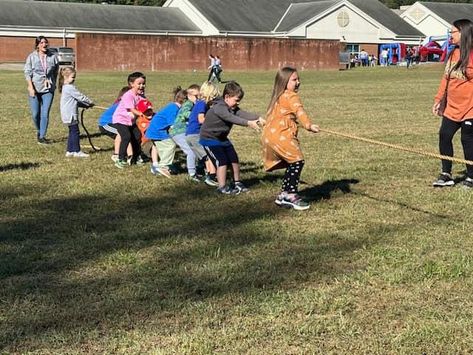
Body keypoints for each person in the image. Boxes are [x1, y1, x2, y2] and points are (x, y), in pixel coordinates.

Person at [261, 67, 319, 210]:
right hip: (281, 135)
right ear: (284, 81)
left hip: (269, 136)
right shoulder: (291, 96)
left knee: (291, 163)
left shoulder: (278, 96)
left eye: (298, 79)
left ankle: (283, 194)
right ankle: (291, 195)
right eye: (294, 80)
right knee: (297, 161)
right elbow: (299, 111)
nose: (298, 82)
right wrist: (308, 125)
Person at [200, 81, 265, 194]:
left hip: (222, 138)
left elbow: (241, 113)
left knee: (234, 159)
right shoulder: (219, 107)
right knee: (222, 161)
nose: (238, 103)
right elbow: (230, 118)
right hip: (209, 139)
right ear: (227, 97)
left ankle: (237, 182)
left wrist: (258, 118)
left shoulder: (232, 106)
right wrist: (248, 123)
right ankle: (222, 187)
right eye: (236, 100)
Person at [432, 19, 473, 188]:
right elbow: (446, 79)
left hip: (470, 108)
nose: (450, 36)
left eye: (453, 32)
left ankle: (471, 176)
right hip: (452, 107)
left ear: (463, 33)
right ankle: (446, 173)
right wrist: (438, 100)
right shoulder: (452, 54)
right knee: (444, 136)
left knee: (467, 140)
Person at [24, 36, 59, 144]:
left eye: (46, 42)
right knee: (35, 114)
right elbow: (27, 73)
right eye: (42, 43)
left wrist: (53, 82)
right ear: (38, 45)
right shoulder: (31, 57)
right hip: (35, 87)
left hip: (48, 88)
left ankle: (42, 136)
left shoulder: (52, 57)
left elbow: (55, 71)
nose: (44, 44)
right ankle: (39, 131)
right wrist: (30, 87)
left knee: (45, 113)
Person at [146, 87, 187, 178]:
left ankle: (156, 166)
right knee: (170, 145)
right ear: (184, 102)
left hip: (155, 129)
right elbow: (173, 124)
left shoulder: (173, 106)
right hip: (158, 131)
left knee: (160, 146)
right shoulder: (174, 109)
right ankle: (163, 165)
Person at [186, 81, 219, 187]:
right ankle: (211, 176)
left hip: (191, 135)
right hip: (195, 134)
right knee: (209, 156)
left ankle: (211, 175)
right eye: (214, 95)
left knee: (206, 156)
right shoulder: (202, 104)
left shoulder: (201, 103)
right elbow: (201, 119)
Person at [112, 72, 146, 168]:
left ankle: (136, 157)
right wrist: (141, 114)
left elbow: (145, 106)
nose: (142, 86)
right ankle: (120, 159)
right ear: (131, 84)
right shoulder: (128, 95)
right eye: (139, 84)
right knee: (126, 136)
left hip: (131, 121)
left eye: (143, 83)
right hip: (121, 120)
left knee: (137, 136)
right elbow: (132, 109)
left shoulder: (141, 96)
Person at [59, 66, 94, 158]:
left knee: (72, 132)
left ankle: (70, 150)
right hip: (70, 115)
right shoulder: (69, 88)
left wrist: (85, 105)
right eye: (72, 77)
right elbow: (80, 97)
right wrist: (90, 102)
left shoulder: (65, 87)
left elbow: (75, 101)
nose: (74, 79)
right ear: (66, 77)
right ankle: (77, 151)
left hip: (67, 114)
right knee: (75, 132)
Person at [169, 84, 200, 181]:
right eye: (196, 96)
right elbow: (185, 113)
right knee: (190, 151)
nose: (198, 98)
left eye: (200, 96)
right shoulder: (188, 103)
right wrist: (196, 116)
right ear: (189, 96)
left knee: (195, 149)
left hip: (183, 132)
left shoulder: (193, 103)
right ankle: (192, 174)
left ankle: (198, 169)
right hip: (178, 132)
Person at [98, 86, 133, 162]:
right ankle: (116, 154)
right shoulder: (121, 104)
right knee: (122, 133)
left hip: (117, 123)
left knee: (126, 133)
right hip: (106, 124)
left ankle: (130, 155)